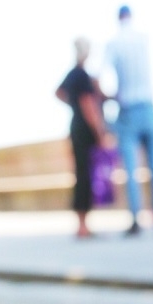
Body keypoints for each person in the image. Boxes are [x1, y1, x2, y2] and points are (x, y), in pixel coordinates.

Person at [103, 5, 153, 235]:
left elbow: (102, 77)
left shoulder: (113, 44)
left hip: (128, 109)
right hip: (148, 106)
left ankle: (136, 218)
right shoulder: (143, 39)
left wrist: (111, 97)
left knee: (130, 170)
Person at [55, 37, 109, 238]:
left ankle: (82, 224)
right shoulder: (82, 75)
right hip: (85, 132)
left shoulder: (73, 74)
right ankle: (83, 225)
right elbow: (89, 106)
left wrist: (73, 104)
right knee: (85, 177)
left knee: (81, 175)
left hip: (75, 128)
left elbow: (59, 93)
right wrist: (100, 132)